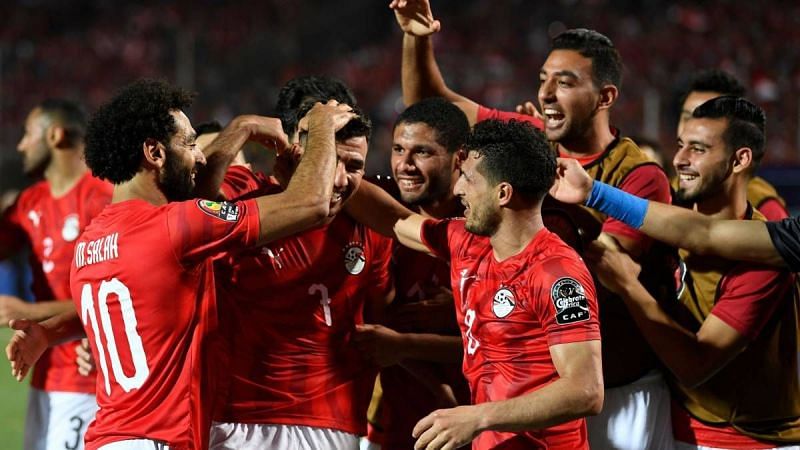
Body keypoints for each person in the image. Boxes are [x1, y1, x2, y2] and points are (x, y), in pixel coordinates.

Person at [6, 79, 355, 450]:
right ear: (155, 153)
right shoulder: (174, 227)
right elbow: (311, 205)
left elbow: (123, 310)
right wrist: (320, 128)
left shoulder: (91, 242)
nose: (201, 156)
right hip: (160, 440)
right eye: (190, 144)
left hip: (108, 437)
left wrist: (48, 333)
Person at [391, 2, 674, 447]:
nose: (546, 93)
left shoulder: (637, 177)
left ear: (605, 97)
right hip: (529, 389)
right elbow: (435, 112)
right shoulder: (525, 142)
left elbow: (595, 270)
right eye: (543, 79)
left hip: (618, 384)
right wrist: (418, 38)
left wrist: (476, 271)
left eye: (565, 82)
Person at [346, 119, 603, 450]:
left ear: (503, 193)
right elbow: (394, 219)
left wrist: (480, 416)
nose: (458, 189)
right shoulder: (466, 241)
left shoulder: (556, 273)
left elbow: (586, 390)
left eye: (468, 178)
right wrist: (336, 171)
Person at [590, 96, 800, 448]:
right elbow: (694, 232)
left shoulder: (764, 261)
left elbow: (695, 365)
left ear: (740, 159)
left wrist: (627, 284)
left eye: (698, 149)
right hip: (672, 422)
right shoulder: (667, 218)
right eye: (680, 145)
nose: (680, 160)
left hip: (748, 441)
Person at [209, 102, 394, 450]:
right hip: (238, 421)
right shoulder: (246, 196)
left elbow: (382, 317)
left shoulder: (371, 224)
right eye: (330, 161)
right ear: (296, 153)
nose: (339, 179)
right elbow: (185, 204)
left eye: (355, 166)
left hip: (332, 425)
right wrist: (242, 124)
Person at [354, 97, 471, 450]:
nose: (404, 165)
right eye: (398, 149)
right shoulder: (377, 210)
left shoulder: (485, 229)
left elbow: (500, 344)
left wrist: (405, 345)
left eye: (421, 152)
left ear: (459, 158)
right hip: (396, 427)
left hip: (475, 425)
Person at [0, 99, 112, 450]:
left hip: (86, 380)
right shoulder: (29, 203)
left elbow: (117, 296)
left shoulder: (103, 198)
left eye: (28, 134)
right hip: (42, 376)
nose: (20, 145)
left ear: (56, 135)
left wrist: (29, 312)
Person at [677, 69, 788, 220]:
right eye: (687, 117)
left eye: (708, 118)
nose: (692, 128)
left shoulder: (764, 209)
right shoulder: (664, 192)